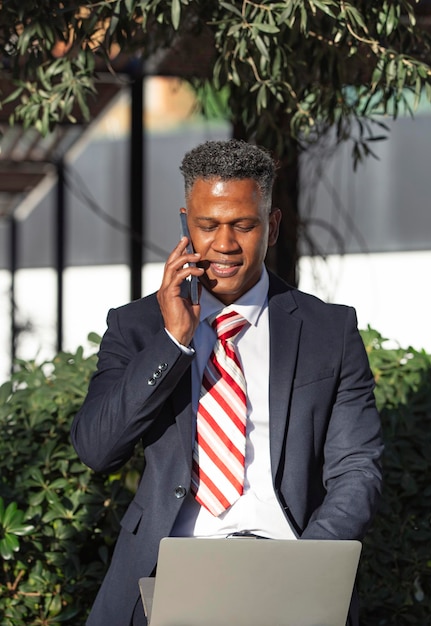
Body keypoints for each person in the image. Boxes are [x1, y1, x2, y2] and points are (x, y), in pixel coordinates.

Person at [71, 138, 383, 626]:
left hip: (291, 564)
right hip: (168, 568)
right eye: (207, 226)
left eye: (243, 224)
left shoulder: (329, 330)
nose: (224, 244)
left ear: (272, 225)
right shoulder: (136, 327)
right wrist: (173, 340)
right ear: (184, 225)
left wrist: (308, 565)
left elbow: (357, 467)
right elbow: (96, 448)